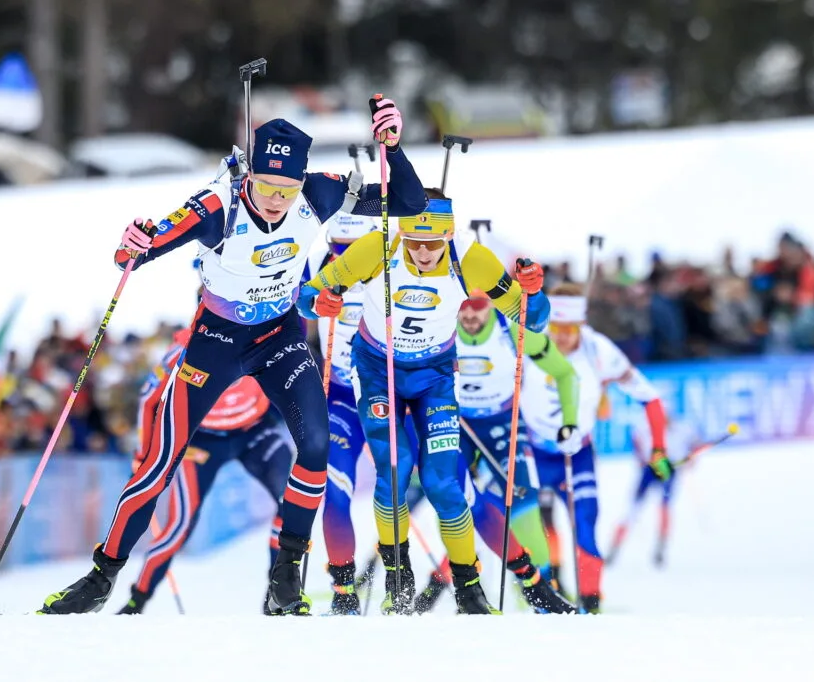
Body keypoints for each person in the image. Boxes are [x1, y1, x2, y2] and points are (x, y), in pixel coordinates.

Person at [38, 98, 426, 616]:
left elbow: (409, 201)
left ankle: (287, 574)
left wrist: (393, 148)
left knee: (315, 445)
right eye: (265, 186)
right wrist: (132, 246)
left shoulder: (321, 192)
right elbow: (151, 243)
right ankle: (101, 577)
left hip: (279, 335)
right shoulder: (219, 205)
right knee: (160, 462)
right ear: (250, 176)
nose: (274, 200)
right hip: (216, 341)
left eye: (285, 190)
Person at [298, 190, 549, 614]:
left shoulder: (470, 258)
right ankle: (399, 577)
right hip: (379, 372)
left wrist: (534, 292)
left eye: (433, 244)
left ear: (449, 234)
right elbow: (309, 294)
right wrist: (321, 300)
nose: (423, 252)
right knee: (394, 472)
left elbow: (533, 321)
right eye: (414, 242)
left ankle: (469, 589)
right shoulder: (378, 247)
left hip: (434, 377)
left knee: (443, 483)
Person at [411, 290, 577, 614]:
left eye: (477, 309)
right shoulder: (439, 329)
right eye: (463, 310)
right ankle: (456, 587)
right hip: (456, 422)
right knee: (457, 499)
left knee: (526, 504)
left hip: (503, 424)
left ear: (491, 305)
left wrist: (569, 422)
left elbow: (564, 372)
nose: (470, 317)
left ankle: (541, 596)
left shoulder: (511, 332)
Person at [116, 329, 295, 615]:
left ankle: (278, 593)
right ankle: (137, 600)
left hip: (254, 432)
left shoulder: (264, 336)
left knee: (291, 501)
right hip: (201, 442)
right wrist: (143, 453)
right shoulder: (184, 350)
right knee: (179, 526)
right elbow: (148, 397)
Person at [521, 282, 670, 613]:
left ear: (581, 325)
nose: (561, 337)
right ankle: (542, 597)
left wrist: (658, 449)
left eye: (569, 329)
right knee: (535, 529)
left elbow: (650, 396)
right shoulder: (529, 343)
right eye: (555, 328)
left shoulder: (598, 350)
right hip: (533, 453)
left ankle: (591, 602)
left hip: (578, 455)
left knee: (585, 524)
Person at [301, 210, 379, 615]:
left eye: (352, 251)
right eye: (337, 249)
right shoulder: (318, 262)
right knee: (333, 493)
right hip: (343, 395)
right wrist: (314, 307)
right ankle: (344, 591)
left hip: (390, 394)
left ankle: (408, 580)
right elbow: (295, 308)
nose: (343, 259)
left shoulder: (388, 260)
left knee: (403, 492)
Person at [606, 412, 700, 568]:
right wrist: (641, 459)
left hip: (670, 470)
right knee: (631, 510)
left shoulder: (681, 430)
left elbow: (695, 443)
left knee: (664, 507)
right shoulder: (646, 428)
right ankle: (613, 549)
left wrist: (691, 458)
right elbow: (636, 439)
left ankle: (660, 548)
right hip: (650, 470)